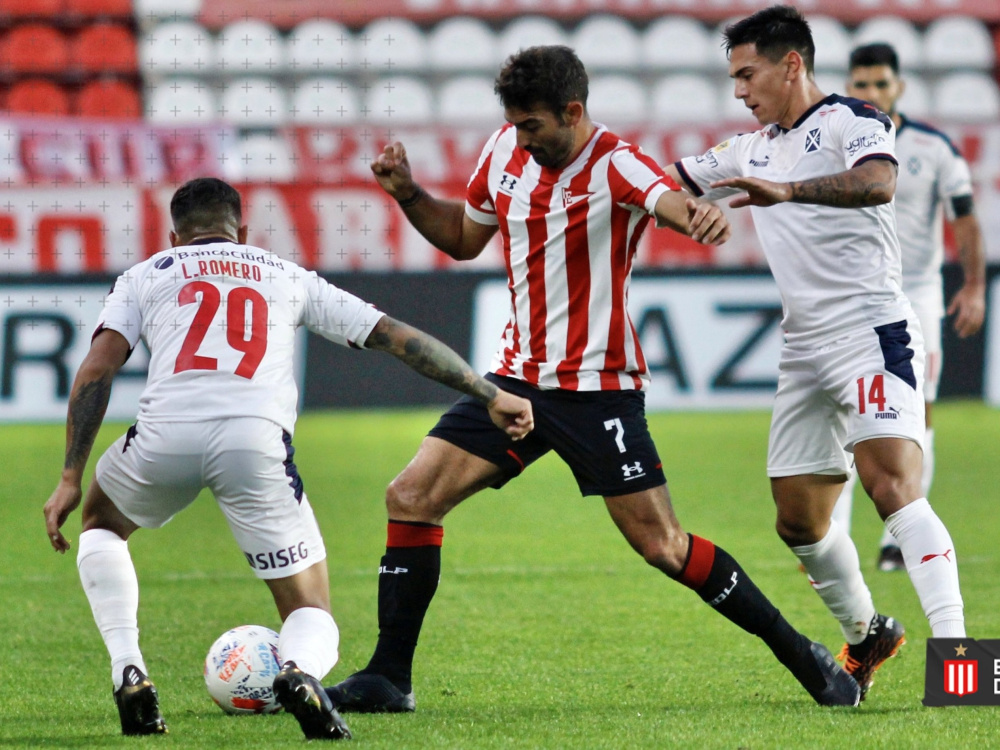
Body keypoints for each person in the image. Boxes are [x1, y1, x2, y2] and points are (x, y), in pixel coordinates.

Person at [324, 44, 862, 714]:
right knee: (410, 496)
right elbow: (463, 238)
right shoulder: (504, 151)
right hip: (514, 385)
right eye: (515, 124)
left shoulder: (616, 161)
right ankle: (388, 677)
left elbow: (667, 201)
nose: (522, 137)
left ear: (572, 112)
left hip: (598, 390)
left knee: (663, 546)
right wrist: (408, 193)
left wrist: (698, 216)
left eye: (533, 125)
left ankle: (802, 654)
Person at [42, 177, 535, 740]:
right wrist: (488, 393)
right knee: (310, 608)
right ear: (243, 231)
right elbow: (396, 337)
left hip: (164, 435)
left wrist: (69, 477)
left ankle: (128, 670)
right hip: (254, 444)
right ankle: (298, 671)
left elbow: (97, 369)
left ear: (173, 236)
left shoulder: (145, 275)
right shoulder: (285, 275)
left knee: (102, 524)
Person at [664, 6, 966, 701]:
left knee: (891, 485)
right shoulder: (747, 149)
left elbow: (879, 182)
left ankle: (962, 663)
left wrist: (789, 191)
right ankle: (868, 635)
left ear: (792, 63)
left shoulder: (853, 120)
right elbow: (659, 183)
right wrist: (682, 207)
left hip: (870, 331)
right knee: (798, 520)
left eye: (748, 74)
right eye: (734, 78)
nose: (740, 90)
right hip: (802, 349)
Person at [830, 43, 986, 571]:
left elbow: (965, 219)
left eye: (880, 83)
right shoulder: (834, 143)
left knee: (919, 413)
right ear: (849, 87)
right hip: (852, 293)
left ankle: (896, 541)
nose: (871, 92)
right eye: (861, 84)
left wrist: (974, 286)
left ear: (899, 87)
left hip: (916, 294)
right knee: (845, 409)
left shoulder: (933, 148)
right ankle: (834, 535)